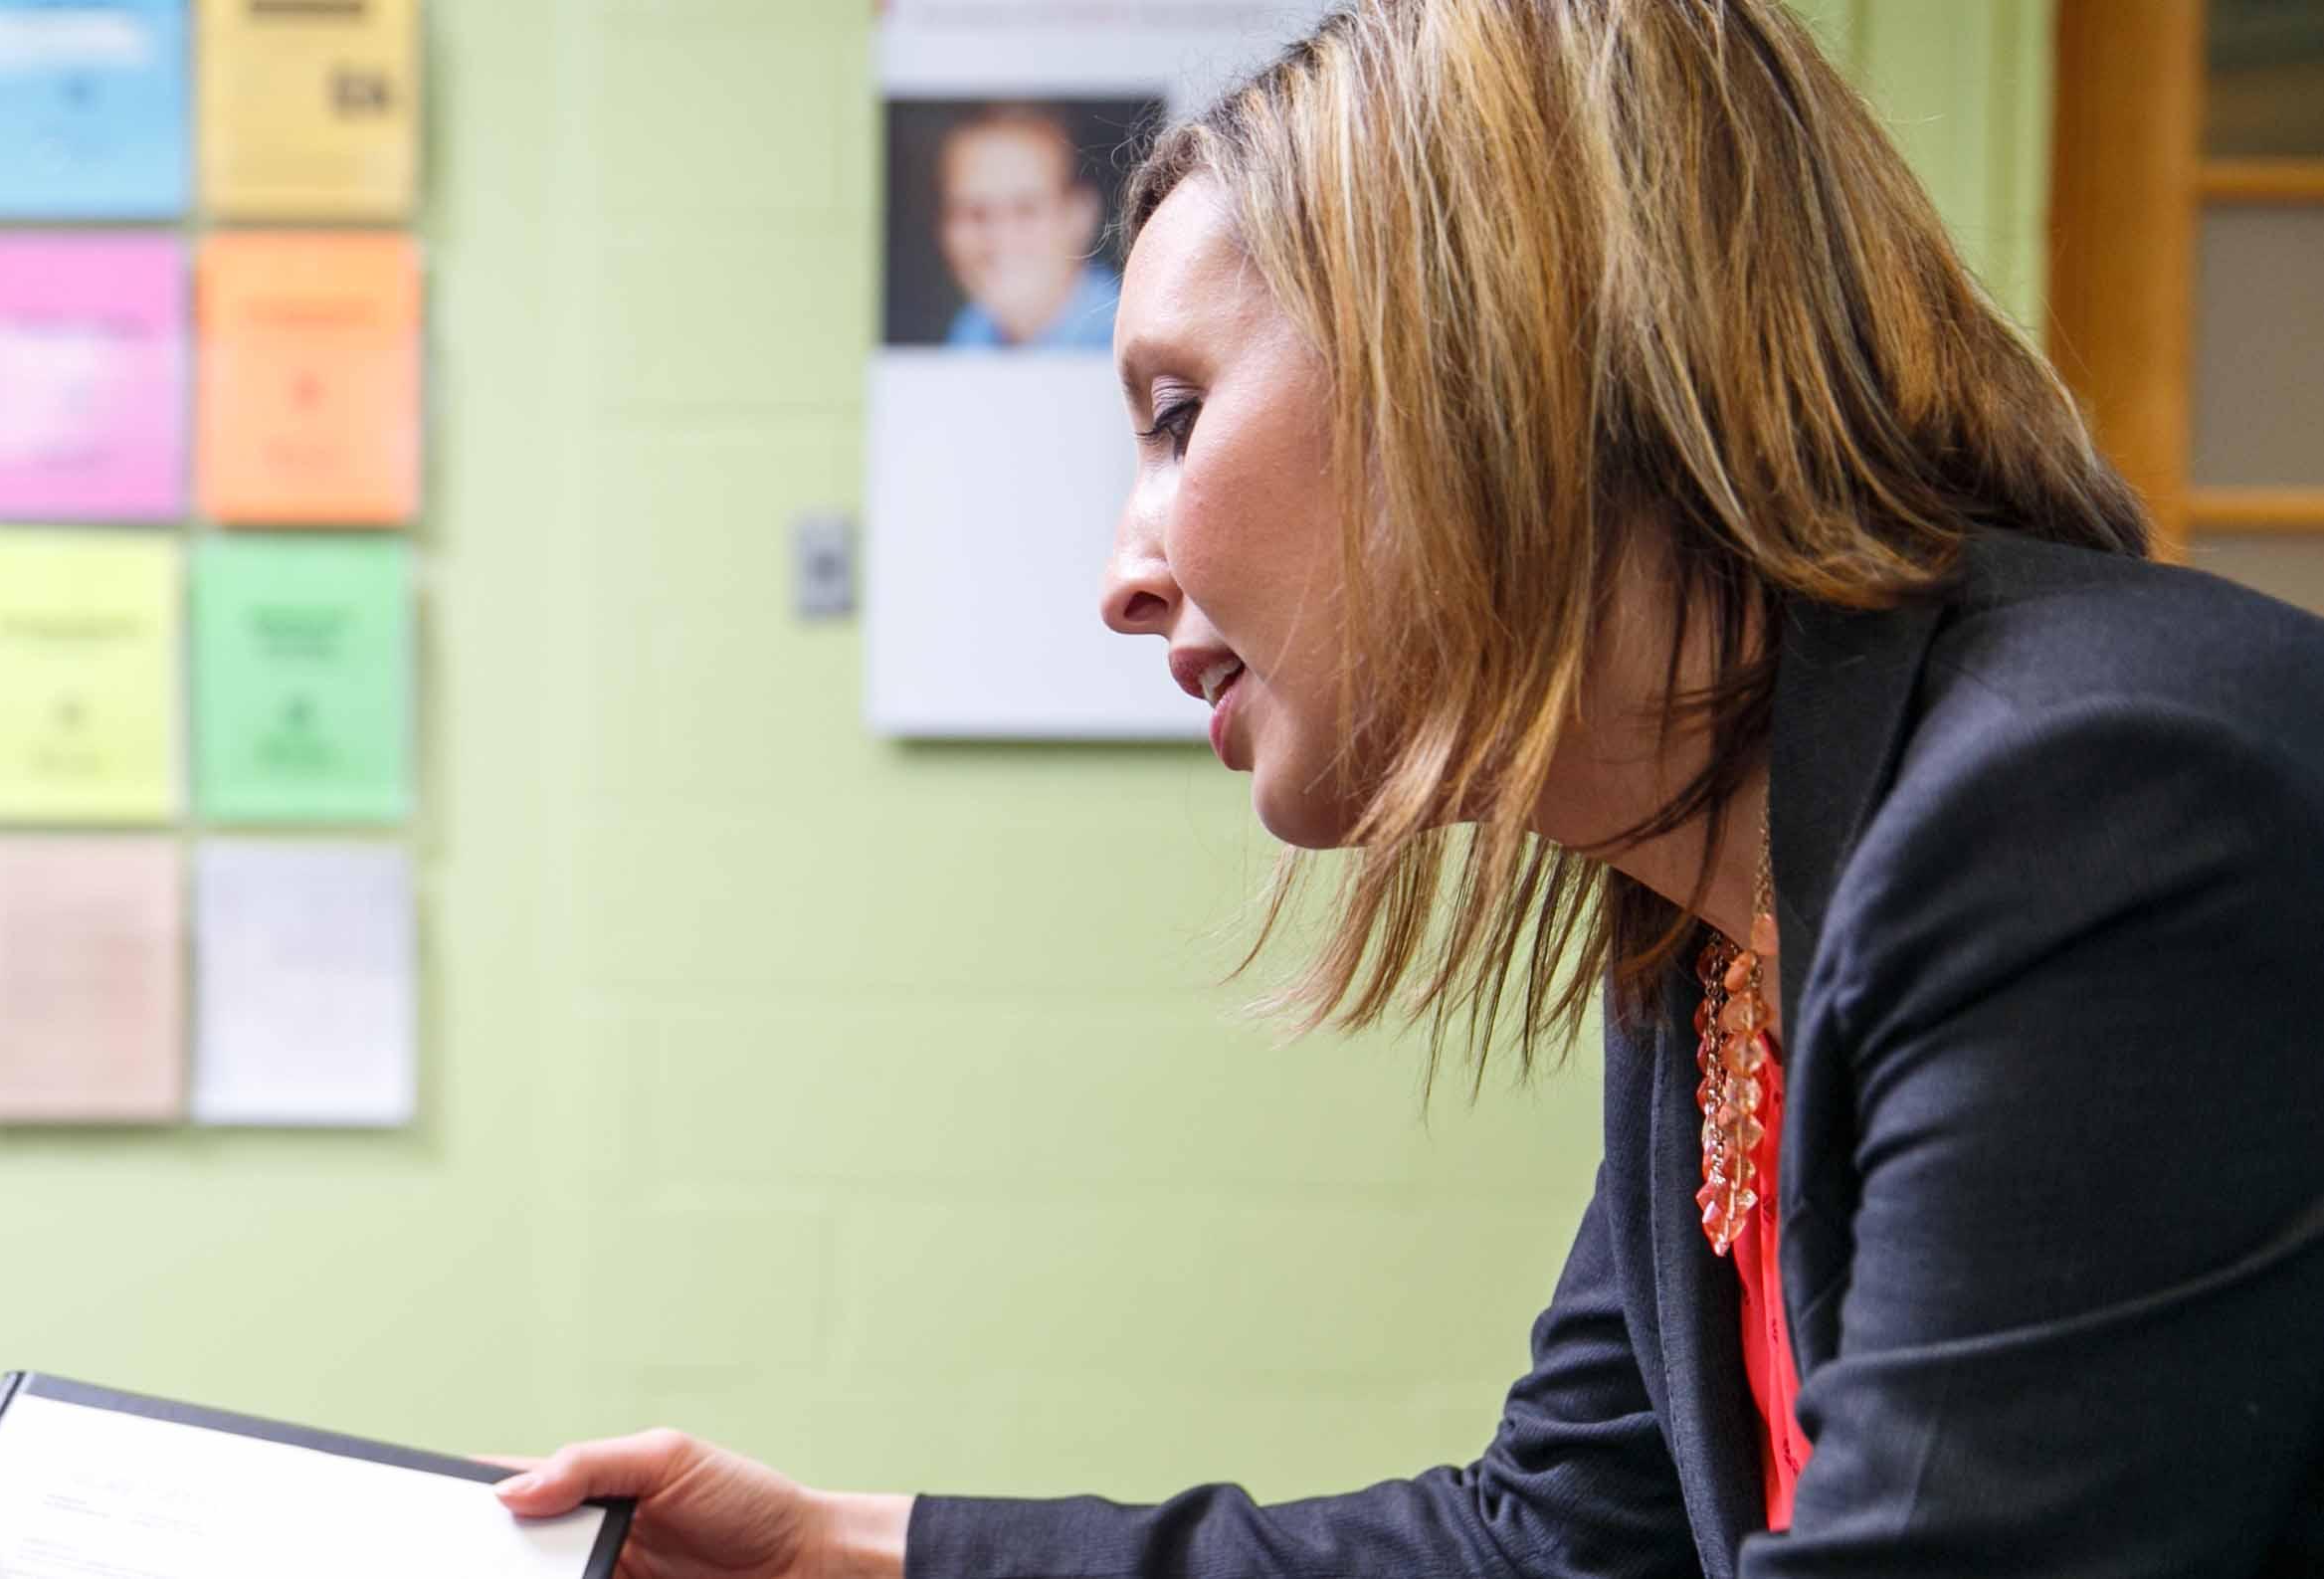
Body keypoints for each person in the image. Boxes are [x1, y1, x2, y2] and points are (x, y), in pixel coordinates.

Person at [501, 1, 2324, 1574]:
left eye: (1173, 414)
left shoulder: (2086, 807)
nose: (1124, 570)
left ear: (1484, 359)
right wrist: (842, 1546)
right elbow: (1548, 1543)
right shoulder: (1719, 916)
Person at [931, 105, 1120, 353]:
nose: (999, 238)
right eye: (975, 212)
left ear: (1081, 215)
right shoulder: (971, 331)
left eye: (1026, 210)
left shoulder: (1121, 338)